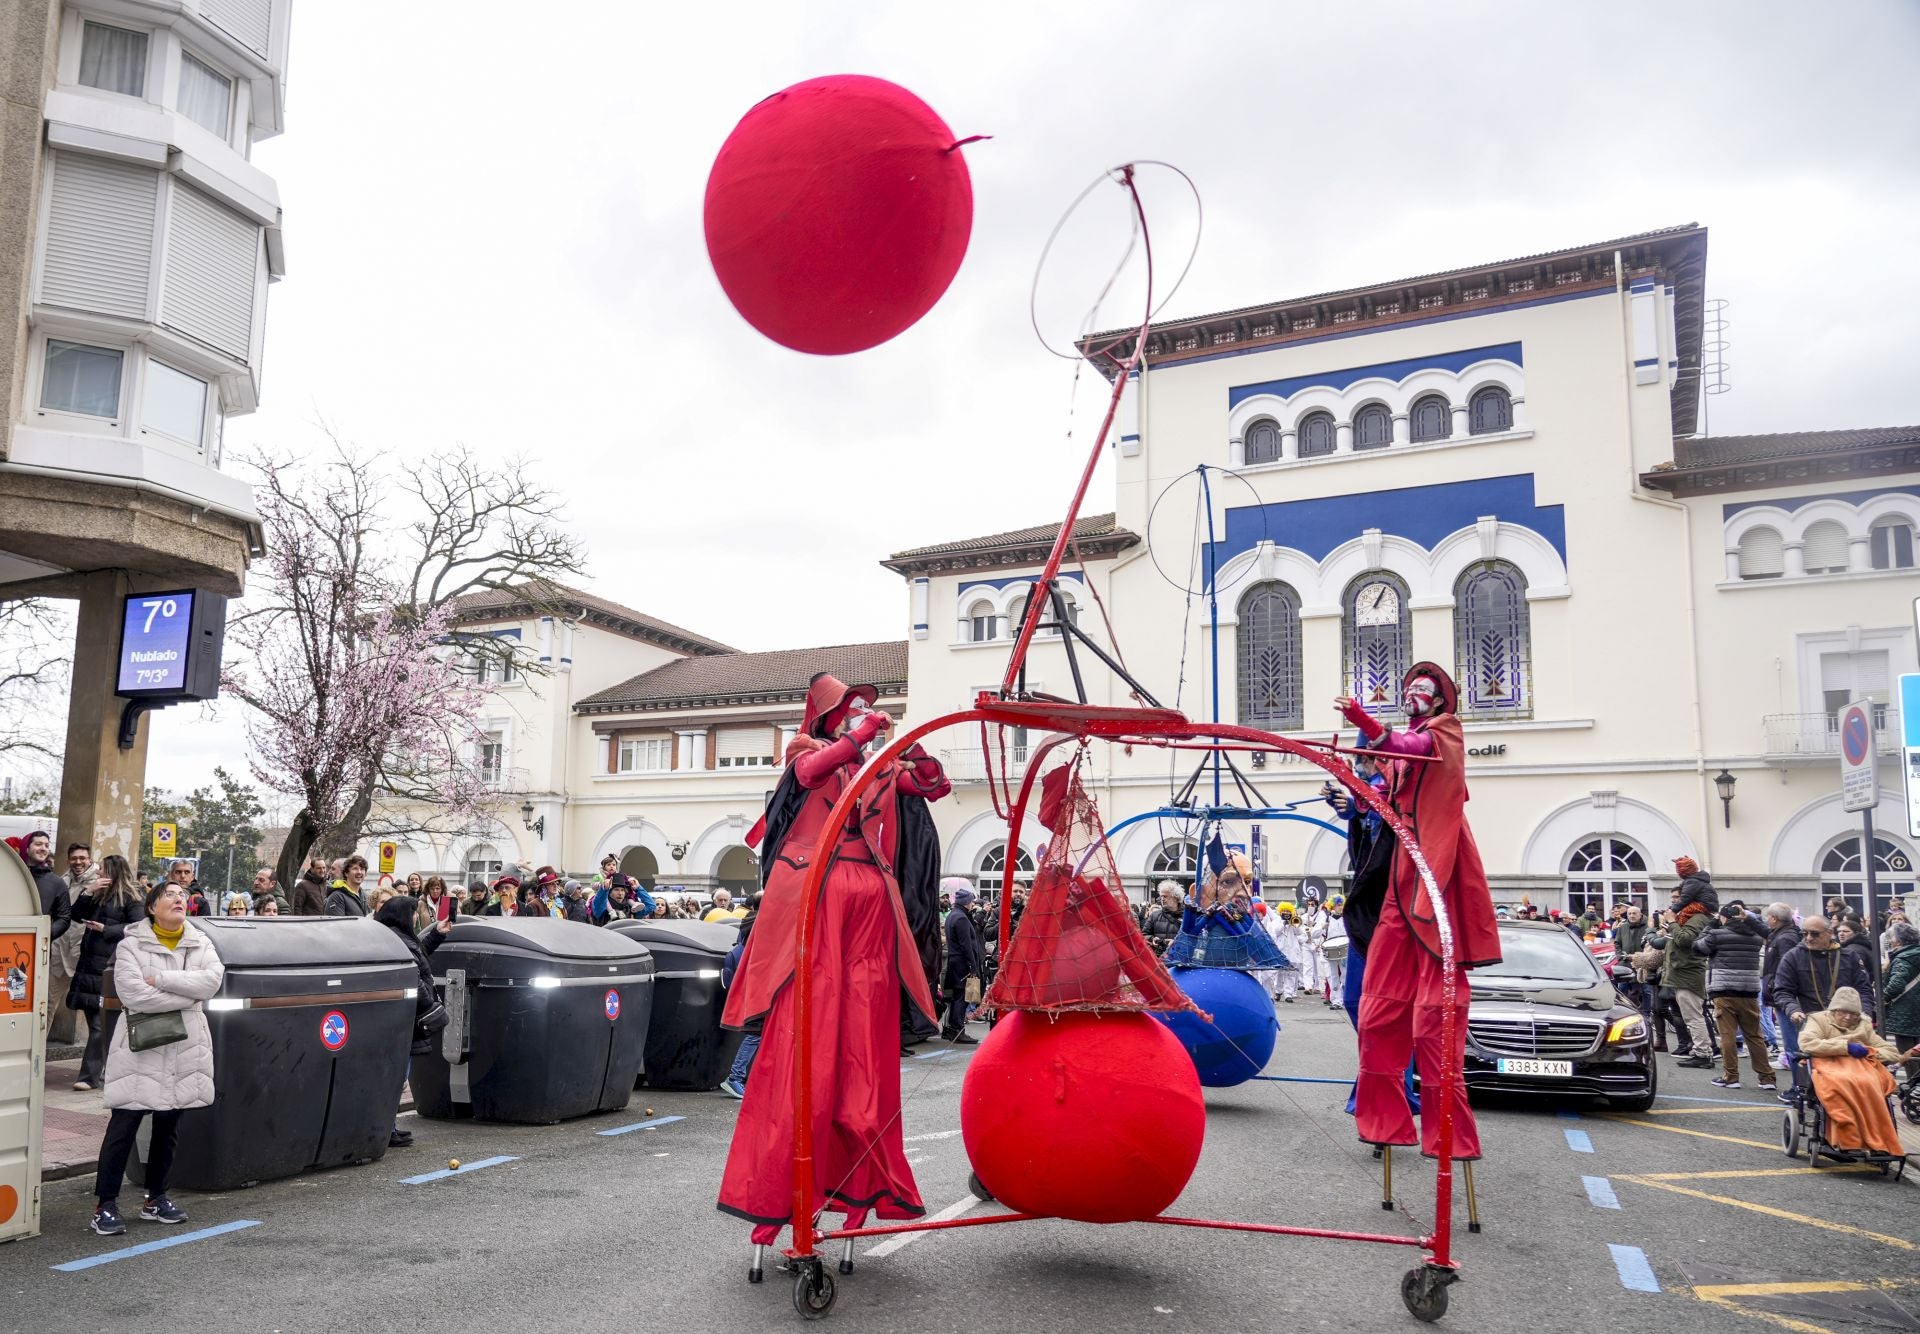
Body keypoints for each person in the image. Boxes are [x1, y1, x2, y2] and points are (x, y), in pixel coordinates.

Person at [717, 672, 951, 1248]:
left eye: (867, 710)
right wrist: (863, 737)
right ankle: (785, 1191)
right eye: (850, 708)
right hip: (815, 889)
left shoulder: (880, 768)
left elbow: (934, 785)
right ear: (828, 715)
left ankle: (858, 1187)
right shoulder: (808, 748)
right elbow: (806, 774)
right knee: (810, 1027)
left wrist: (912, 750)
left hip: (870, 897)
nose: (861, 715)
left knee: (864, 1034)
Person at [1336, 663, 1500, 1160]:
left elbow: (1408, 751)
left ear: (1438, 699)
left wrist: (1365, 723)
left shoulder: (1442, 732)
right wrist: (1352, 791)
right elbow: (1385, 787)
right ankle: (1384, 1117)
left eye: (1421, 690)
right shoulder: (1409, 741)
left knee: (1433, 1015)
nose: (1412, 696)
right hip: (1405, 864)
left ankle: (1443, 1130)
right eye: (1409, 690)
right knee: (1379, 1002)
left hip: (1434, 859)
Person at [90, 880, 224, 1235]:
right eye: (170, 895)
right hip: (141, 1047)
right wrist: (187, 994)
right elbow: (134, 995)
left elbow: (210, 983)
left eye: (182, 896)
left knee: (169, 1128)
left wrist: (161, 978)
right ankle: (105, 1204)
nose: (179, 899)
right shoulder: (132, 944)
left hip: (183, 1048)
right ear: (152, 907)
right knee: (124, 1127)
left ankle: (156, 1198)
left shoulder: (200, 941)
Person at [1795, 986, 1913, 1156]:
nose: (1848, 1017)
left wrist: (1870, 1052)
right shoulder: (1819, 1020)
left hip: (1859, 1067)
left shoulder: (1863, 1025)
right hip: (1829, 1065)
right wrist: (1845, 1047)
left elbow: (1892, 1053)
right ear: (1834, 1009)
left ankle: (1876, 1141)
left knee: (1871, 1084)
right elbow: (1807, 1044)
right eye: (1843, 1012)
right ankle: (1847, 1139)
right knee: (1841, 1084)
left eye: (1853, 1014)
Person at [372, 894, 450, 1147]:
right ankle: (385, 1128)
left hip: (403, 1017)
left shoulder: (397, 937)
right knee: (395, 1075)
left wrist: (437, 933)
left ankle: (389, 1126)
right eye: (413, 912)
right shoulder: (395, 939)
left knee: (397, 1075)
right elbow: (413, 976)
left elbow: (419, 956)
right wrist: (430, 1005)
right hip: (402, 1019)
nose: (416, 916)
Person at [66, 854, 145, 1091]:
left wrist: (107, 929)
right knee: (96, 1022)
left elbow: (138, 927)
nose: (98, 874)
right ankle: (107, 1070)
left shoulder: (133, 896)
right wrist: (88, 892)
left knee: (100, 1025)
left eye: (102, 870)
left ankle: (89, 1077)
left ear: (113, 872)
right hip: (90, 964)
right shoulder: (99, 894)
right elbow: (76, 915)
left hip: (111, 965)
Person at [1694, 901, 1775, 1091]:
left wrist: (1711, 925)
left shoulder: (1716, 935)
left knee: (1727, 1035)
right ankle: (1767, 1078)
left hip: (1724, 989)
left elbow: (1697, 948)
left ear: (1724, 917)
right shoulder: (1755, 937)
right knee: (1754, 1035)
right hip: (1749, 988)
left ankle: (1731, 1076)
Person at [1776, 916, 1874, 1043]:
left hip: (1847, 1023)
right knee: (1807, 1059)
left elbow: (1864, 989)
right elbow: (1783, 990)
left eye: (1815, 934)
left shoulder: (1849, 956)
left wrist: (1865, 1014)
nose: (1809, 938)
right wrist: (1793, 1010)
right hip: (1811, 1022)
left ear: (1830, 933)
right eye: (1804, 933)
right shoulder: (1793, 956)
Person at [1664, 860, 1717, 1069]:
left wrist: (1672, 922)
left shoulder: (1697, 918)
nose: (1677, 901)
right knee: (1691, 1015)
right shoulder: (1695, 916)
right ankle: (1700, 1050)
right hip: (1684, 972)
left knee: (1693, 1016)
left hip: (1688, 973)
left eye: (1679, 898)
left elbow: (1684, 940)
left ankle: (1703, 1053)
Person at [719, 894, 762, 1099]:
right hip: (756, 994)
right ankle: (735, 1077)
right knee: (755, 1034)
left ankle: (742, 1078)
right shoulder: (758, 925)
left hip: (754, 993)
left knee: (758, 1034)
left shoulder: (749, 926)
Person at [1761, 902, 1803, 1071]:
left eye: (1768, 916)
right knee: (1791, 1040)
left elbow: (1788, 967)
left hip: (1784, 994)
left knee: (1792, 1041)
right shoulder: (1781, 934)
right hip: (1781, 991)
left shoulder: (1786, 938)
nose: (1766, 919)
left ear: (1774, 919)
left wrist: (1776, 985)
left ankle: (1799, 1084)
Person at [942, 885, 985, 1043]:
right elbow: (966, 945)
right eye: (971, 901)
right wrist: (973, 967)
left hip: (955, 963)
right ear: (966, 902)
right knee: (961, 998)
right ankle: (957, 1030)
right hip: (962, 965)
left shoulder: (954, 915)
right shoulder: (960, 918)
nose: (973, 904)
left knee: (956, 998)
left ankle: (952, 1029)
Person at [1879, 921, 1920, 1082]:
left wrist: (1883, 998)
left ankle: (1914, 1089)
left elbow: (1896, 984)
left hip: (1904, 1013)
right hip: (1915, 1010)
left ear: (1898, 940)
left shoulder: (1903, 958)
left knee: (1908, 1054)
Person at [1835, 920, 1879, 1016]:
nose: (1841, 934)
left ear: (1856, 933)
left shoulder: (1853, 950)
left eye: (1846, 931)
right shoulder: (1859, 945)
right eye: (1839, 931)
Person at [1266, 902, 1306, 1001]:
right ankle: (1278, 991)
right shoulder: (1277, 920)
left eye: (1288, 911)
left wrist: (1292, 924)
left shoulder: (1293, 920)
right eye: (1284, 911)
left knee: (1291, 972)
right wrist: (1283, 924)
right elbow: (1275, 932)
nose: (1286, 913)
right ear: (1280, 911)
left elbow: (1299, 932)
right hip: (1281, 948)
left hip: (1292, 949)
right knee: (1279, 972)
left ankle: (1288, 994)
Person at [1143, 881, 1183, 957]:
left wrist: (1176, 943)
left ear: (1175, 897)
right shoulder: (1154, 915)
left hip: (1179, 958)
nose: (1162, 899)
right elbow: (1143, 935)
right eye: (1161, 896)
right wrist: (1152, 939)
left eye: (1165, 896)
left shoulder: (1187, 916)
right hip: (1159, 959)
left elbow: (1193, 938)